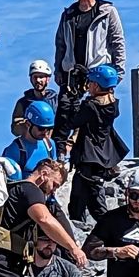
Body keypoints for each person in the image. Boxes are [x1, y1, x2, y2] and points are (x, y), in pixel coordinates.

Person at [56, 63, 127, 224]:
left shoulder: (91, 106)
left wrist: (72, 98)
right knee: (78, 201)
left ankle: (112, 232)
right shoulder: (112, 104)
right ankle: (80, 226)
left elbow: (72, 122)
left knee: (96, 204)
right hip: (99, 158)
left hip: (89, 159)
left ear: (96, 85)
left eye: (90, 82)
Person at [52, 0, 126, 98]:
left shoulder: (107, 12)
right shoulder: (68, 15)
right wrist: (58, 70)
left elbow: (117, 42)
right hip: (71, 76)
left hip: (98, 76)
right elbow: (60, 45)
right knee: (65, 116)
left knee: (95, 115)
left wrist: (118, 72)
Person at [1, 99, 58, 174]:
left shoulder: (49, 145)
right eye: (41, 128)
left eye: (49, 129)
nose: (45, 132)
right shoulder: (14, 150)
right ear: (28, 124)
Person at [8, 60, 59, 138]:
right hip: (31, 145)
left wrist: (71, 141)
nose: (38, 80)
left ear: (47, 79)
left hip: (54, 144)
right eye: (35, 77)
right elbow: (15, 130)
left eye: (41, 77)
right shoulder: (23, 102)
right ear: (31, 79)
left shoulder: (56, 100)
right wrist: (25, 124)